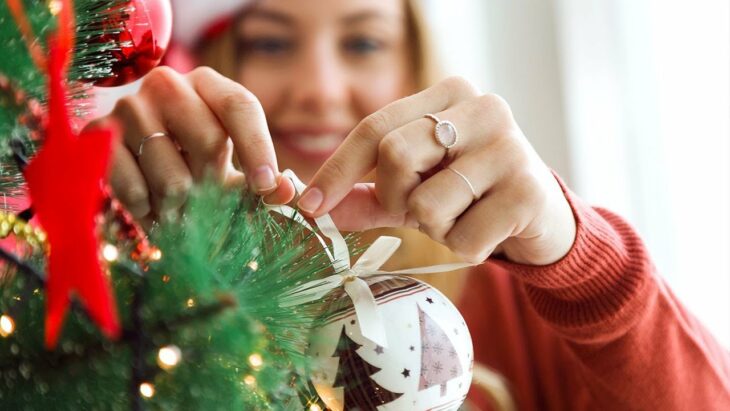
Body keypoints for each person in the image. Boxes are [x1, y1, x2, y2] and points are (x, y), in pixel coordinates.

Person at [92, 0, 730, 409]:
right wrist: (123, 257)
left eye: (363, 43)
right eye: (272, 44)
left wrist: (586, 265)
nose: (318, 90)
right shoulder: (148, 264)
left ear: (414, 65)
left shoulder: (512, 292)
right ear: (216, 60)